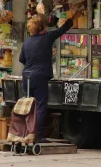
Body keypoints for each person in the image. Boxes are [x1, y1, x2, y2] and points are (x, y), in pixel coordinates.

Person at [19, 14, 77, 143]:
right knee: (40, 106)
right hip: (39, 76)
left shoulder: (27, 41)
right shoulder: (47, 37)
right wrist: (72, 18)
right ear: (42, 27)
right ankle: (37, 136)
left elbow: (21, 59)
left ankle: (26, 134)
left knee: (29, 106)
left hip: (26, 75)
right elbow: (61, 30)